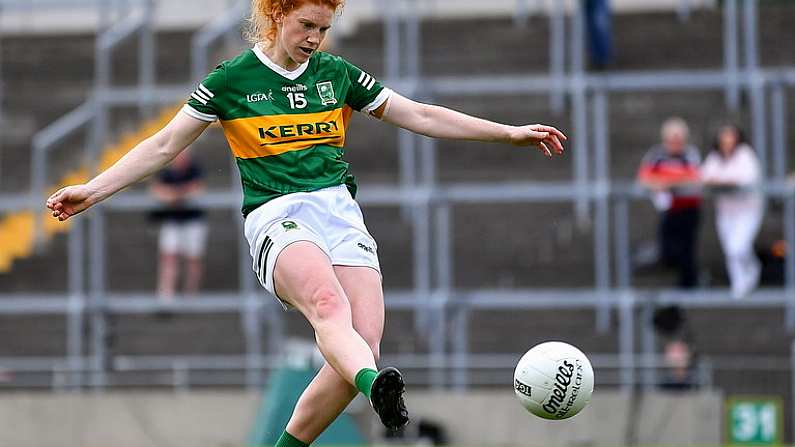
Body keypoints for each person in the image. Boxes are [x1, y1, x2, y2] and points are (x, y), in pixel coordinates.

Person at [46, 0, 566, 445]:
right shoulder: (230, 81)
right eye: (306, 26)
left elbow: (422, 116)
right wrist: (92, 190)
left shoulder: (337, 75)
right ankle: (377, 387)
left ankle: (335, 406)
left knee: (363, 342)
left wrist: (508, 133)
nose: (315, 38)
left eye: (323, 28)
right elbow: (162, 145)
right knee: (329, 309)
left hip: (339, 213)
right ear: (276, 15)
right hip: (277, 214)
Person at [637, 117, 702, 289]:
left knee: (687, 247)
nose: (675, 144)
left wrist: (666, 181)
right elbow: (644, 177)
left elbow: (693, 177)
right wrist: (670, 180)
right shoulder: (657, 154)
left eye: (678, 140)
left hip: (689, 208)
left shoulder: (689, 154)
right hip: (670, 209)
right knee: (668, 246)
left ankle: (689, 283)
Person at [701, 125, 763, 299]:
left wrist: (722, 182)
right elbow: (705, 177)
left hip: (748, 211)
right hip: (726, 211)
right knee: (730, 248)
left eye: (730, 138)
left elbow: (745, 180)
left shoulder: (745, 155)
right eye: (724, 138)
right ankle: (739, 283)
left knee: (737, 247)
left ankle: (749, 274)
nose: (727, 142)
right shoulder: (714, 157)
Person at [149, 148, 207, 301]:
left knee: (193, 259)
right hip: (173, 221)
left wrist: (173, 196)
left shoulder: (194, 169)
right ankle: (166, 296)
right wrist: (181, 194)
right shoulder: (166, 173)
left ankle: (191, 296)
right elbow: (158, 192)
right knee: (169, 258)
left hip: (193, 221)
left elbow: (196, 190)